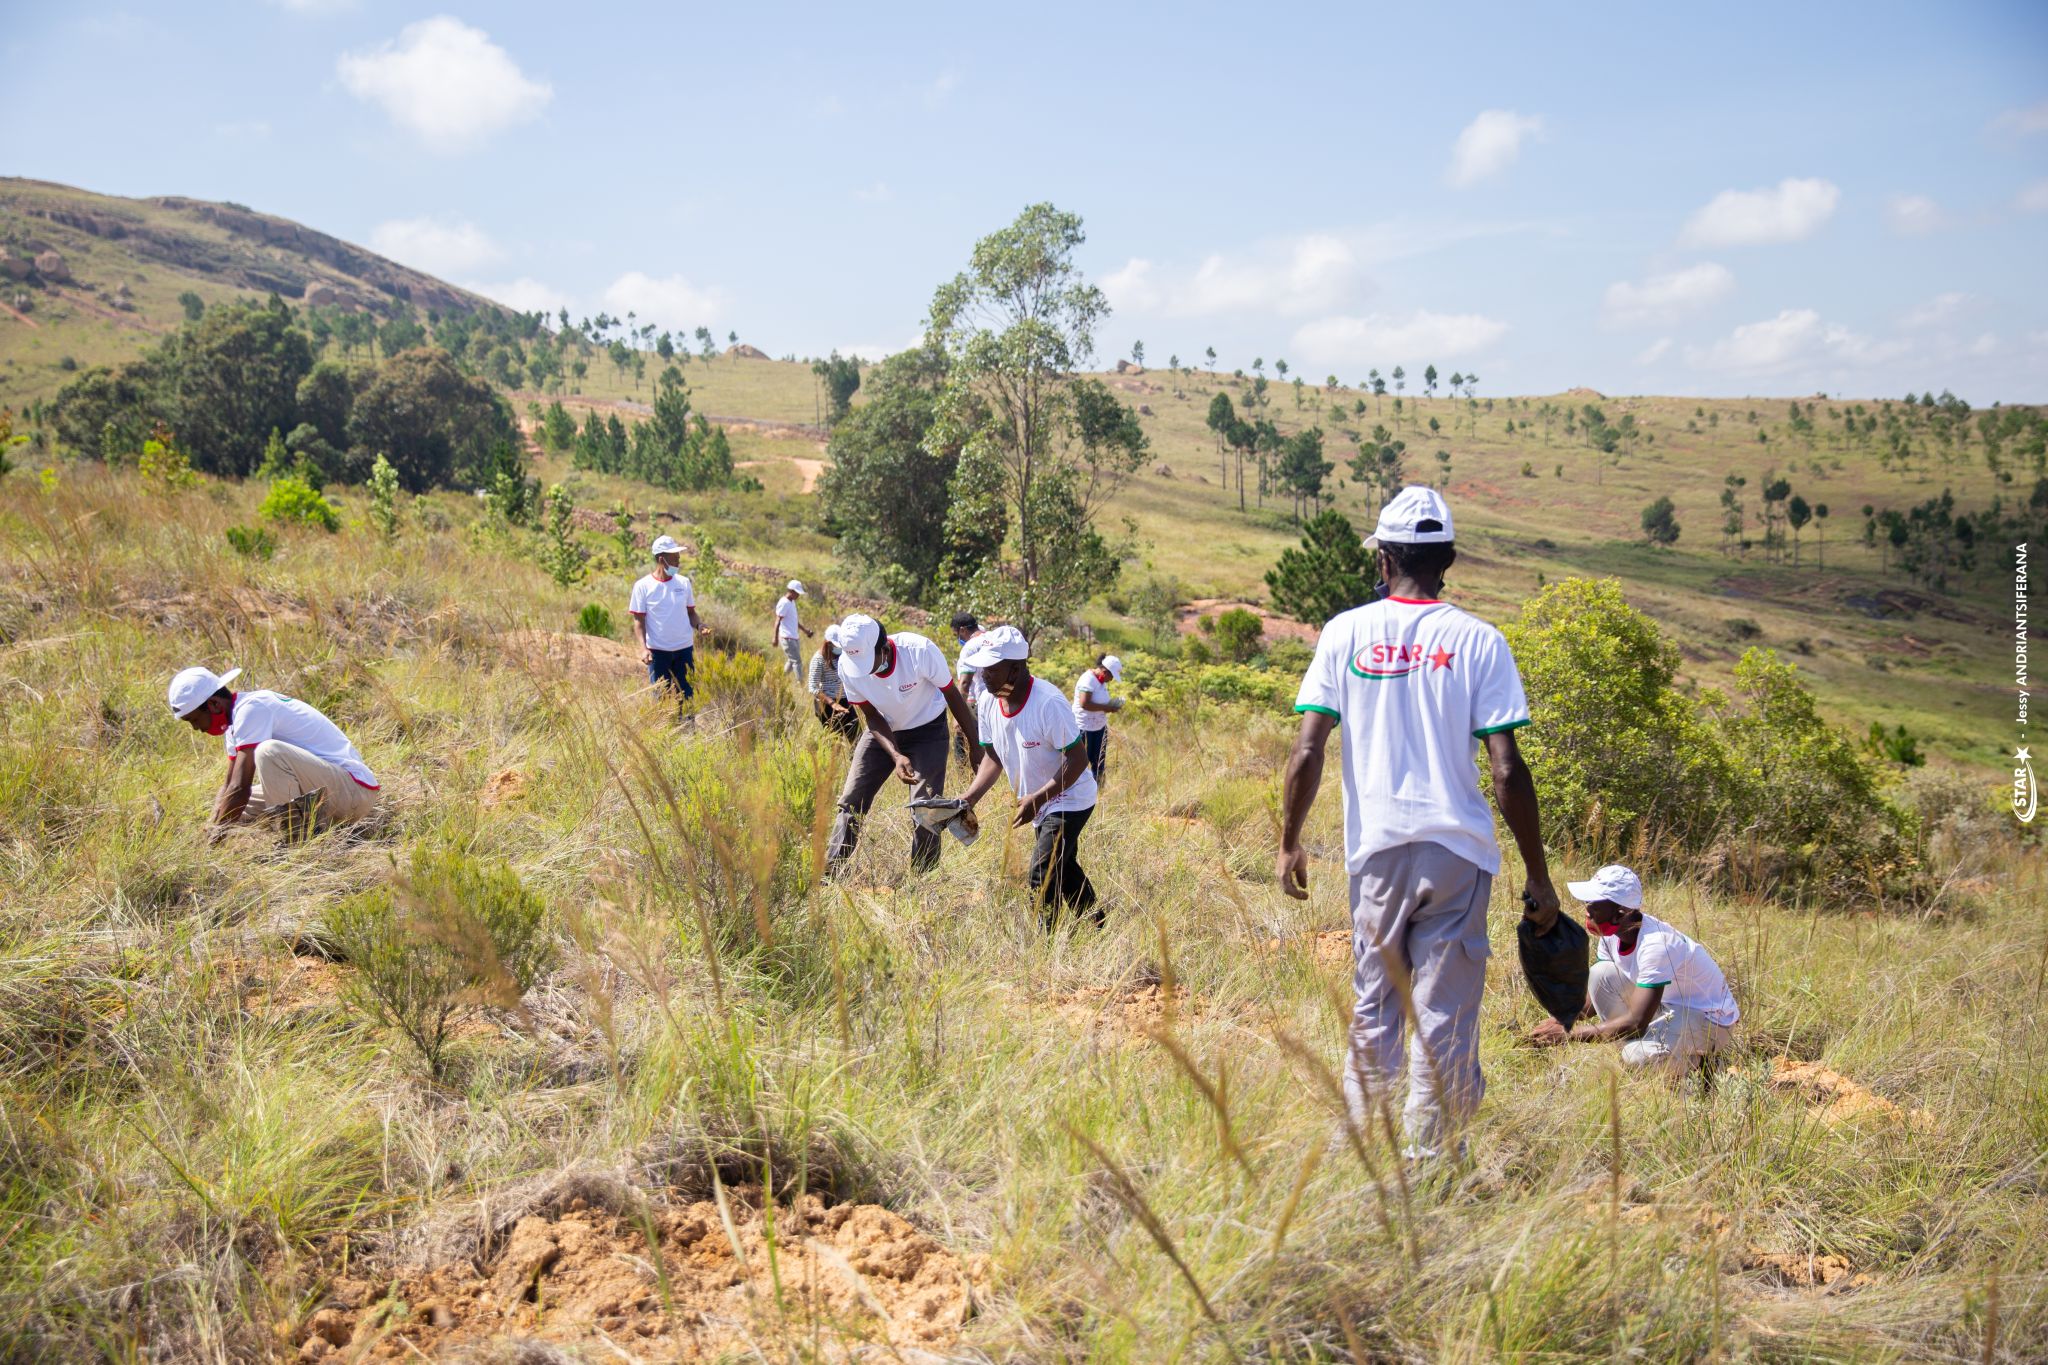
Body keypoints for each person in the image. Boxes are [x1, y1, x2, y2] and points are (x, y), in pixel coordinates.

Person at [1277, 485, 1558, 1162]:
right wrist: (1539, 874)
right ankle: (1432, 1168)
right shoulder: (1480, 641)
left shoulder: (1344, 633)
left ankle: (1364, 1161)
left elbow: (1308, 750)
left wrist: (1289, 842)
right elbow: (1506, 769)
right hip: (1457, 854)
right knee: (1444, 1018)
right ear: (1448, 560)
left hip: (1375, 853)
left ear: (1384, 559)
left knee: (1375, 1010)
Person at [1529, 865, 1740, 1074]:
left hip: (1711, 1021)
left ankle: (1701, 1065)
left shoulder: (1656, 945)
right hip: (1667, 1007)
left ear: (1620, 914)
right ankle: (1649, 1050)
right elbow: (1592, 998)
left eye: (1594, 905)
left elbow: (1637, 1022)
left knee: (1636, 1057)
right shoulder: (1611, 936)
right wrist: (1562, 1021)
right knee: (1601, 974)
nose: (1587, 910)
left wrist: (1570, 1036)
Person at [958, 626, 1102, 924]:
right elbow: (993, 757)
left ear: (1015, 668)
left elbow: (1078, 759)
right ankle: (1097, 923)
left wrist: (1038, 798)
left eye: (991, 669)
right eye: (982, 669)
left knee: (1042, 870)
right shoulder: (988, 701)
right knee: (1063, 867)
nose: (984, 676)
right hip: (1038, 800)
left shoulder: (1048, 703)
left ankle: (1044, 942)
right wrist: (969, 798)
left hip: (1070, 798)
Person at [828, 614, 983, 877]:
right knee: (851, 800)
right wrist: (896, 755)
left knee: (926, 807)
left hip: (928, 731)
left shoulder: (919, 651)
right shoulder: (847, 665)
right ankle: (830, 874)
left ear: (884, 648)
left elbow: (952, 694)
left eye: (867, 662)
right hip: (883, 731)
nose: (863, 671)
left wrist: (975, 745)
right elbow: (871, 716)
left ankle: (923, 878)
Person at [167, 665, 379, 841]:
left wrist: (215, 839)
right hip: (329, 790)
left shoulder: (252, 708)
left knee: (268, 752)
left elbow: (240, 788)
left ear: (214, 704)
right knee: (231, 808)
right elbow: (229, 786)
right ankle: (305, 825)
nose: (196, 728)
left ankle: (298, 839)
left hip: (354, 793)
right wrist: (209, 829)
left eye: (194, 719)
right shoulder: (235, 722)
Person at [629, 535, 707, 699]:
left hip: (684, 650)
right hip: (658, 653)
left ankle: (686, 717)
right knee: (661, 698)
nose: (678, 562)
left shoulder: (684, 583)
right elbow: (639, 621)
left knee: (686, 697)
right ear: (661, 559)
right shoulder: (642, 586)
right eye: (674, 558)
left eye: (678, 557)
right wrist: (643, 649)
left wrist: (699, 625)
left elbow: (691, 613)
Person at [1071, 654, 1125, 788]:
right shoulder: (1088, 679)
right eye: (1111, 676)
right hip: (1084, 728)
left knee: (1099, 762)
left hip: (1099, 728)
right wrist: (1107, 708)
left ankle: (1099, 790)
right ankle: (1081, 791)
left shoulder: (1102, 682)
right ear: (1105, 671)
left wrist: (1111, 706)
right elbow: (1084, 703)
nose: (1111, 680)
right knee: (1081, 764)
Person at [807, 626, 859, 740]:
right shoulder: (818, 659)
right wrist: (833, 703)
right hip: (828, 705)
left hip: (844, 700)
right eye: (836, 646)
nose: (839, 648)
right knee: (835, 740)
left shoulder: (841, 656)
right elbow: (813, 687)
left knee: (856, 736)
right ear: (828, 643)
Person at [773, 580, 813, 678]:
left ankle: (780, 679)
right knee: (797, 661)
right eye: (796, 593)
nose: (798, 595)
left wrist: (805, 631)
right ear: (790, 590)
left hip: (794, 637)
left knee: (792, 661)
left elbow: (794, 621)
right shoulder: (784, 603)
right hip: (787, 638)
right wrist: (775, 638)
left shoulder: (792, 602)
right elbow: (778, 621)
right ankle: (800, 683)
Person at [950, 612, 986, 705]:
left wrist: (959, 710)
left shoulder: (969, 647)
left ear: (962, 630)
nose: (957, 639)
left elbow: (965, 683)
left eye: (956, 634)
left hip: (981, 701)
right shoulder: (992, 638)